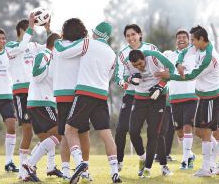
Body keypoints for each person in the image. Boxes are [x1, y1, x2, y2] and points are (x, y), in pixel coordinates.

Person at [156, 25, 219, 177]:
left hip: (211, 98)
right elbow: (183, 52)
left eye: (193, 40)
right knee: (199, 131)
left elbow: (191, 76)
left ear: (201, 39)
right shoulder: (197, 47)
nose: (191, 43)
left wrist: (169, 75)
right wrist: (178, 64)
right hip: (202, 97)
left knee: (205, 132)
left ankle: (207, 167)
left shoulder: (209, 58)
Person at [64, 21, 122, 183]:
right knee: (106, 135)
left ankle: (79, 163)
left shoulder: (87, 43)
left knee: (70, 130)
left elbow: (63, 52)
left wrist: (55, 40)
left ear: (96, 33)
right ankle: (115, 172)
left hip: (84, 93)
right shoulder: (112, 54)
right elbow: (109, 77)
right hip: (101, 95)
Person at [6, 15, 55, 179]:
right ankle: (22, 172)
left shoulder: (34, 46)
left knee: (46, 134)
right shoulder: (11, 46)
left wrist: (48, 29)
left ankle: (37, 167)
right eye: (30, 27)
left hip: (35, 94)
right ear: (22, 29)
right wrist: (31, 27)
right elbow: (21, 47)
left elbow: (51, 46)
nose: (33, 30)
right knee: (27, 131)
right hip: (20, 93)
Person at [114, 24, 159, 171]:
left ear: (140, 34)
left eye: (133, 34)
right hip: (131, 95)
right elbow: (118, 77)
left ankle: (153, 163)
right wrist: (128, 80)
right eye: (127, 36)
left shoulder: (151, 48)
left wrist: (159, 87)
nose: (131, 38)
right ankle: (120, 162)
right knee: (121, 129)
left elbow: (161, 68)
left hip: (150, 96)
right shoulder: (122, 54)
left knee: (150, 131)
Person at [52, 18, 91, 183]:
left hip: (61, 94)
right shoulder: (84, 46)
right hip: (78, 93)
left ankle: (67, 170)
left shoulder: (57, 45)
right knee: (83, 133)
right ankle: (85, 170)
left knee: (65, 135)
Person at [125, 49, 175, 178]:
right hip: (140, 99)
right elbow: (123, 76)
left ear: (144, 58)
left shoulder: (154, 57)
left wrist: (160, 86)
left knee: (154, 134)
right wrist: (131, 78)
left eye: (140, 64)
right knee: (133, 131)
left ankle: (147, 169)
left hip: (157, 98)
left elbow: (171, 68)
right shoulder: (128, 63)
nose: (139, 67)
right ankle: (143, 158)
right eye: (135, 66)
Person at [22, 33, 62, 182]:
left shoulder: (52, 57)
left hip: (38, 103)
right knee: (59, 133)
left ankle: (28, 172)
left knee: (47, 139)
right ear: (56, 44)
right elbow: (37, 74)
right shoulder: (45, 54)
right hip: (41, 103)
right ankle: (29, 164)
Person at [163, 29, 197, 169]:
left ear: (189, 40)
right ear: (176, 40)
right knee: (179, 131)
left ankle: (184, 160)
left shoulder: (193, 55)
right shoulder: (169, 55)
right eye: (179, 37)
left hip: (190, 96)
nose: (181, 39)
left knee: (188, 127)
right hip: (174, 98)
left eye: (184, 37)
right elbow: (164, 73)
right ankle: (190, 155)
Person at [0, 27, 18, 173]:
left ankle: (9, 162)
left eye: (3, 38)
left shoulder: (9, 53)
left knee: (11, 125)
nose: (2, 41)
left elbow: (22, 46)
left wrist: (30, 28)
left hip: (7, 97)